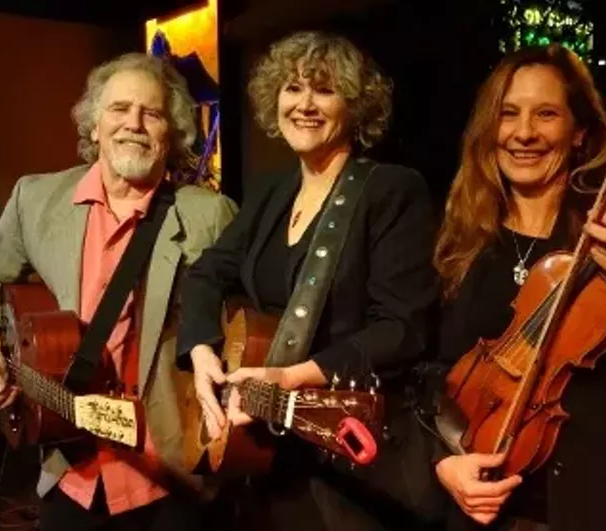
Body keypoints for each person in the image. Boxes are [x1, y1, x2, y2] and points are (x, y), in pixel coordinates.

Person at [427, 44, 606, 530]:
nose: (523, 133)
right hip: (486, 510)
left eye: (546, 114)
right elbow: (434, 371)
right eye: (508, 114)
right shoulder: (468, 236)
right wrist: (445, 458)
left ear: (579, 132)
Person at [0, 53, 238, 531]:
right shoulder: (36, 199)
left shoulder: (210, 214)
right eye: (119, 109)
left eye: (152, 113)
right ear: (94, 124)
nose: (134, 125)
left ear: (173, 131)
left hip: (169, 474)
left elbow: (246, 323)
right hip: (70, 468)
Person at [177, 31, 446, 530]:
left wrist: (290, 378)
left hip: (352, 455)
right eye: (292, 88)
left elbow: (402, 327)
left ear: (356, 106)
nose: (304, 104)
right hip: (267, 451)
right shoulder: (271, 192)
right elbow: (206, 272)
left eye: (324, 90)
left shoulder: (391, 189)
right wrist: (200, 352)